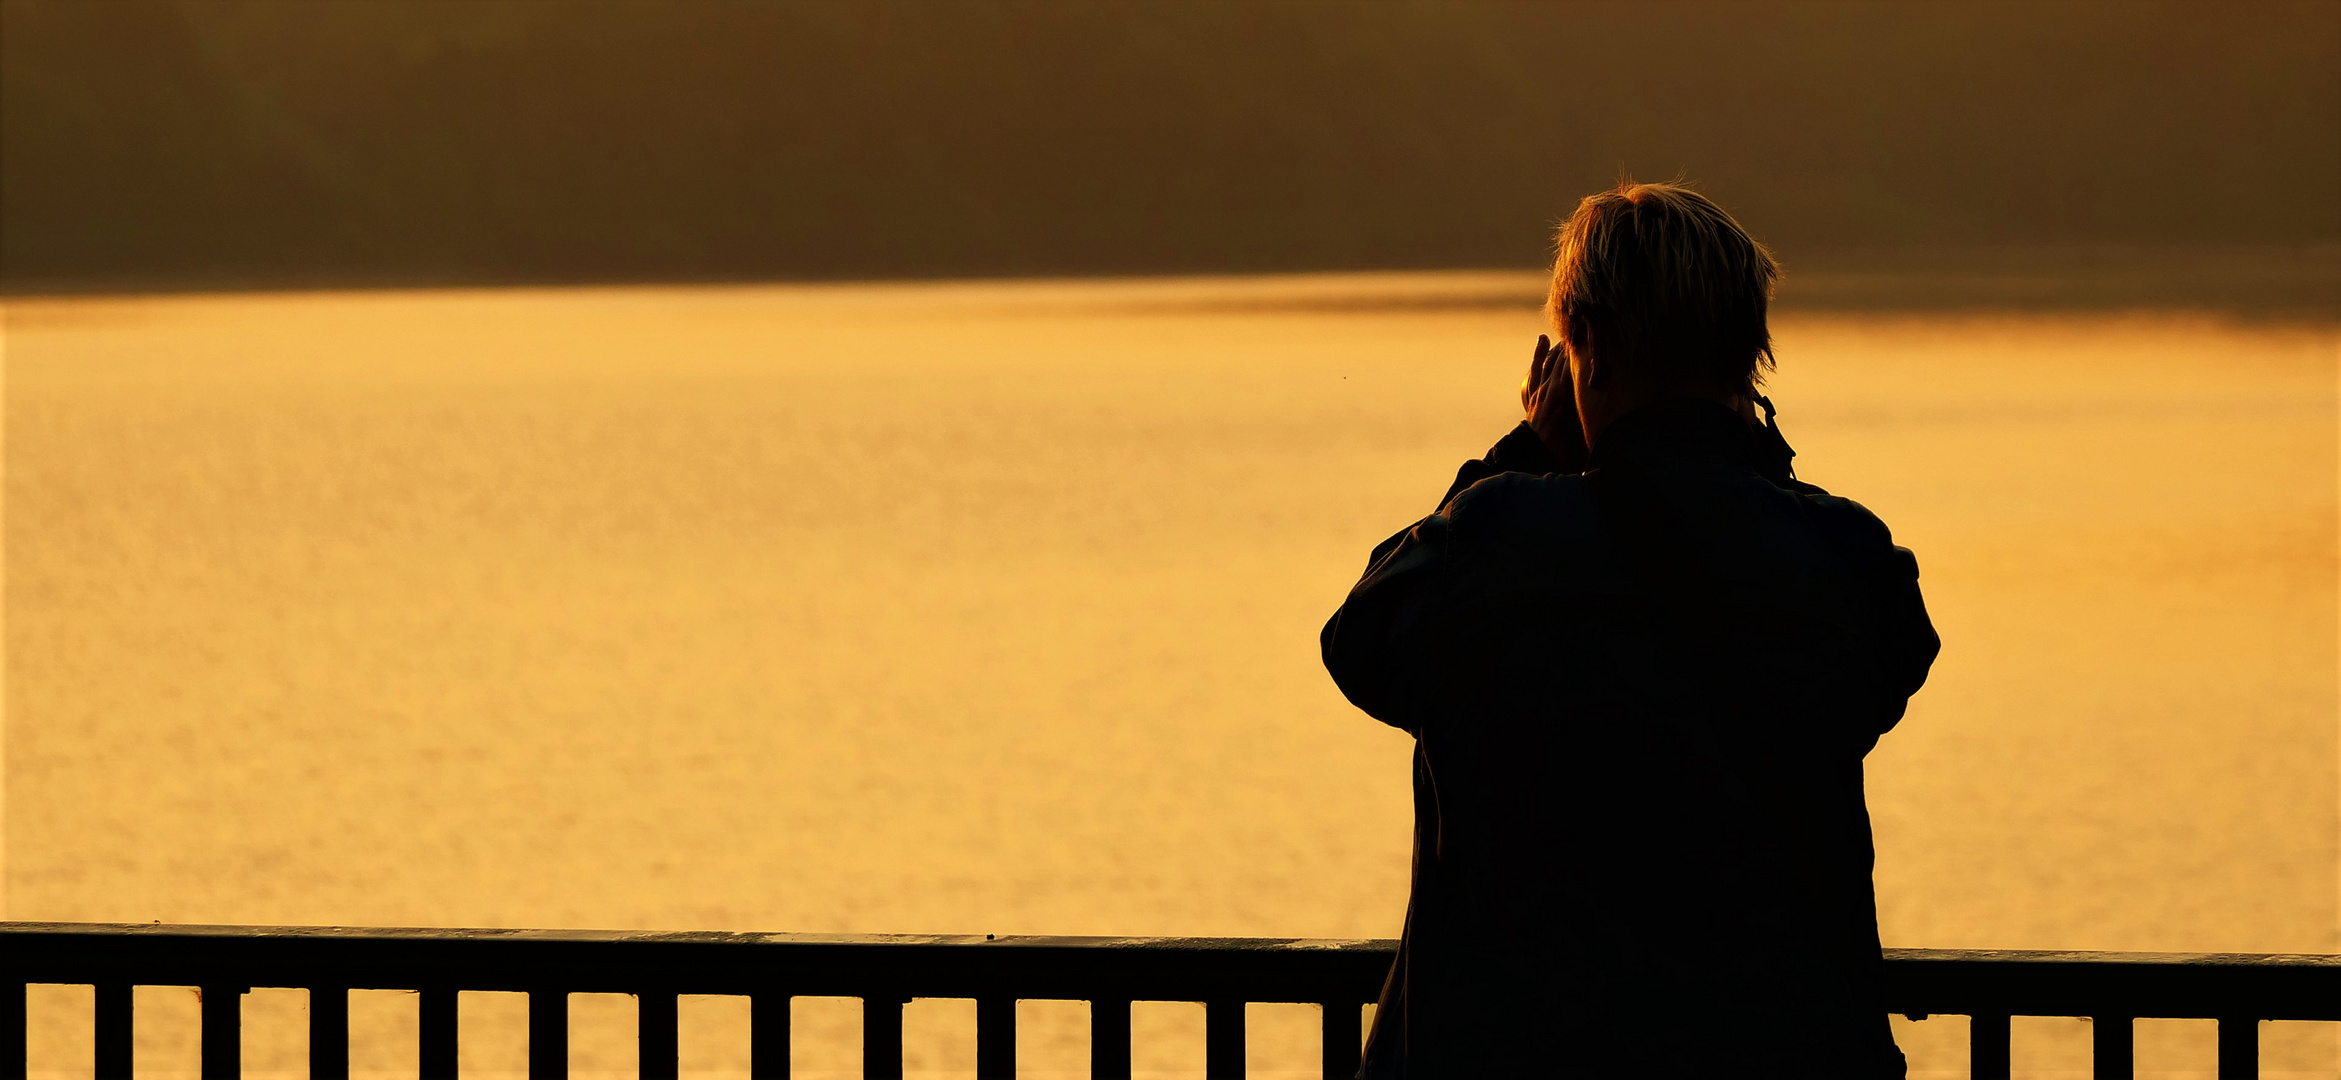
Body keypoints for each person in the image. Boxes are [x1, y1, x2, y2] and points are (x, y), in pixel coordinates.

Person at [1321, 180, 1939, 1077]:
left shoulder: (1492, 544)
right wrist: (1751, 451)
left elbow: (1361, 642)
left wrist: (1528, 452)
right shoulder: (1843, 558)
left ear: (1592, 350)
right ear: (1749, 359)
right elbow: (1887, 667)